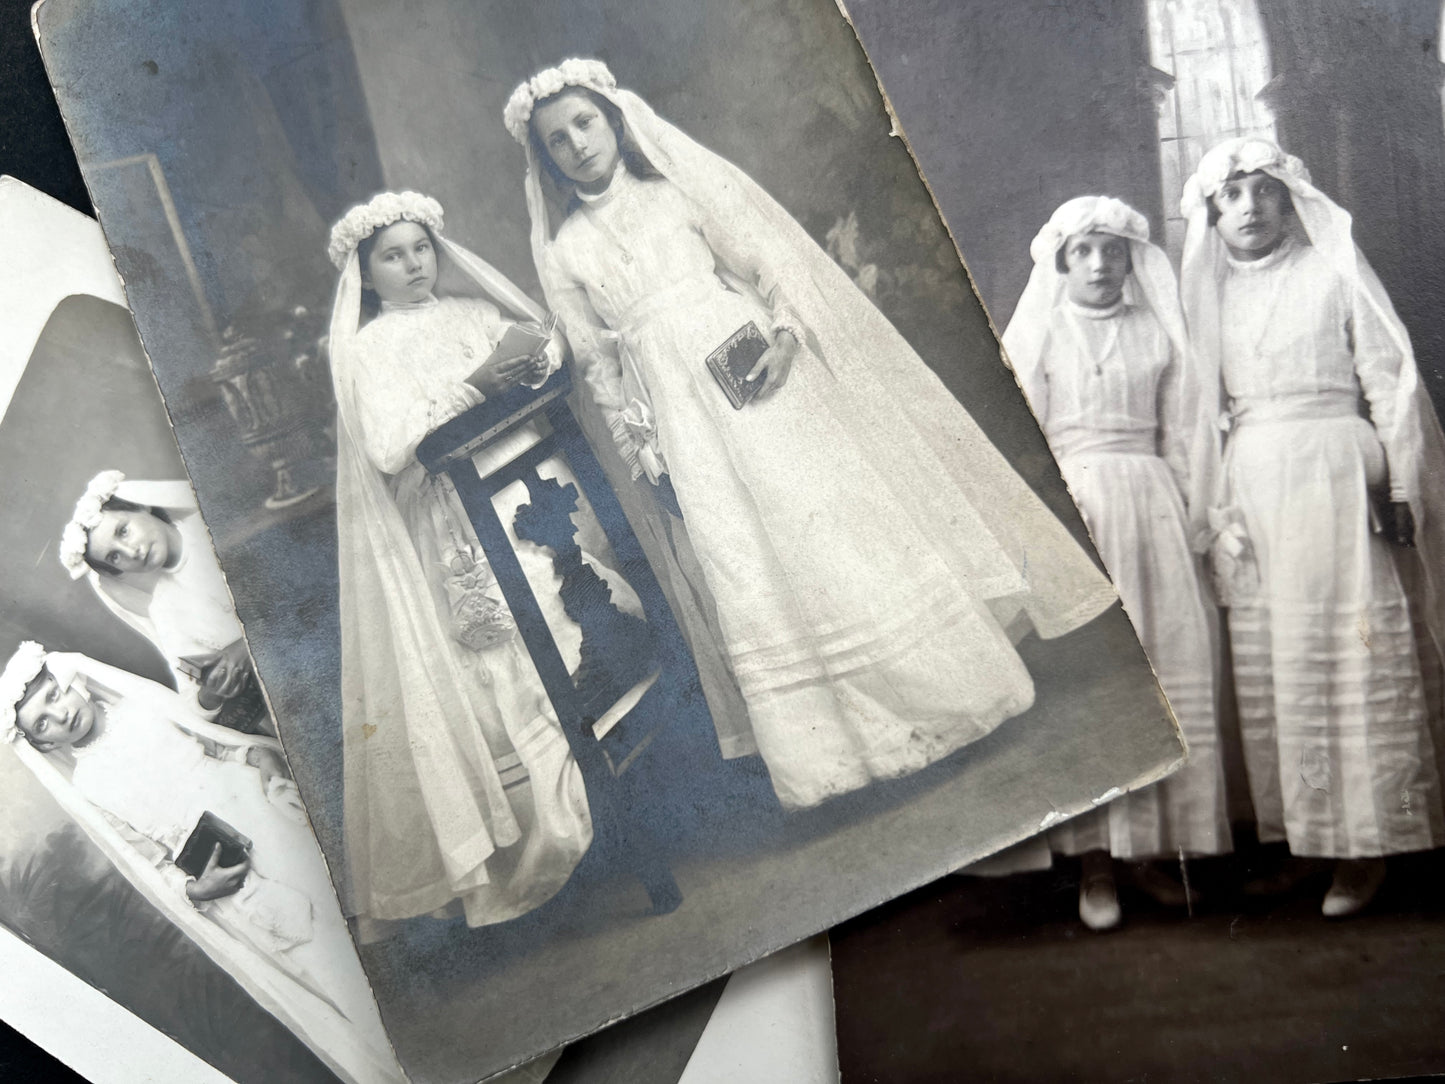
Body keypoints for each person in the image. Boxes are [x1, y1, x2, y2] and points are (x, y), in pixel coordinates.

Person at [503, 59, 1119, 811]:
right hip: (676, 414)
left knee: (829, 523)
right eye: (556, 140)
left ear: (614, 120)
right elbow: (597, 362)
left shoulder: (673, 191)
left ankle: (954, 698)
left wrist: (787, 336)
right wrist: (642, 450)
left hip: (752, 373)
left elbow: (765, 263)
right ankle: (837, 757)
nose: (575, 144)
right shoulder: (566, 251)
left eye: (584, 123)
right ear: (546, 160)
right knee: (748, 558)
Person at [1181, 137, 1445, 916]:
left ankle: (1367, 847)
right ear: (1211, 212)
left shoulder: (1330, 271)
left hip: (1336, 471)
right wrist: (1212, 509)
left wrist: (1398, 481)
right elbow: (1197, 413)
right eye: (1232, 196)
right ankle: (1310, 837)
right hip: (1255, 480)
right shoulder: (1206, 296)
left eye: (1263, 191)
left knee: (1348, 648)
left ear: (1289, 199)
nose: (1249, 208)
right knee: (1282, 661)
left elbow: (1387, 380)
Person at [325, 190, 597, 934]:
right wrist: (471, 386)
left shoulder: (471, 313)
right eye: (393, 255)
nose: (413, 264)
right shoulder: (366, 350)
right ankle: (561, 814)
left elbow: (542, 351)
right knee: (517, 632)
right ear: (366, 272)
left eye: (421, 248)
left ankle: (614, 752)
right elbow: (387, 447)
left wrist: (534, 355)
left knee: (575, 603)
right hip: (459, 517)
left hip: (530, 485)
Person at [0, 641, 400, 1084]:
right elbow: (151, 863)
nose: (60, 715)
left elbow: (220, 746)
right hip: (223, 866)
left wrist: (258, 757)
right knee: (320, 955)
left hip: (259, 811)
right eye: (43, 722)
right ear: (40, 742)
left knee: (352, 906)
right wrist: (198, 890)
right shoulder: (89, 784)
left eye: (53, 697)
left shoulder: (138, 705)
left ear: (68, 683)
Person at [1002, 196, 1230, 930]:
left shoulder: (1158, 333)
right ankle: (1094, 863)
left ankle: (1151, 853)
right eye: (1085, 252)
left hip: (1152, 506)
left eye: (1113, 252)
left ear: (1131, 260)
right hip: (1077, 512)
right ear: (1062, 261)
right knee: (1101, 680)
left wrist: (1197, 521)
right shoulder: (1041, 334)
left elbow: (1184, 435)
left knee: (1167, 666)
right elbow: (1021, 441)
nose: (1100, 264)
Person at [59, 472, 271, 734]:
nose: (130, 551)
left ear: (140, 505)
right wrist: (212, 693)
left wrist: (242, 650)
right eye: (114, 557)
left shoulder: (218, 520)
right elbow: (194, 703)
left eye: (123, 531)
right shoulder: (165, 608)